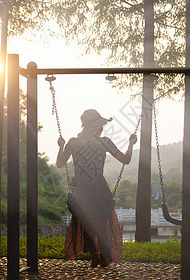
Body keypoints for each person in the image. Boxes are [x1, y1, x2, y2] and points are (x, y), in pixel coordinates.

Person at [56, 109, 137, 267]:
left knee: (86, 222)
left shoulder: (73, 142)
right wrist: (131, 144)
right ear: (95, 127)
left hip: (81, 189)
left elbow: (60, 164)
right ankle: (104, 256)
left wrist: (60, 146)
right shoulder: (104, 142)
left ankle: (94, 256)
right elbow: (125, 159)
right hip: (99, 189)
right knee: (101, 222)